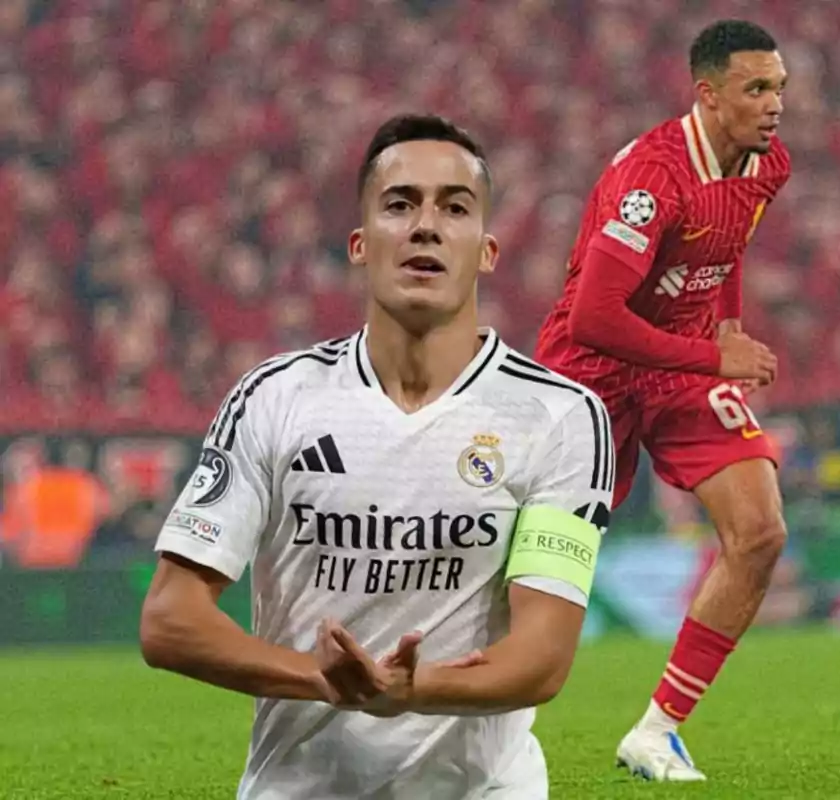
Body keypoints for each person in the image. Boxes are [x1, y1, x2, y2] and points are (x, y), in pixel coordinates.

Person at [140, 114, 615, 800]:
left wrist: (413, 690)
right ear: (361, 245)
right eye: (400, 204)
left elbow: (542, 656)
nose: (426, 225)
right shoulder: (276, 399)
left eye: (455, 208)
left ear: (487, 250)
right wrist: (318, 678)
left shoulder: (561, 417)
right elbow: (169, 619)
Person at [534, 19, 791, 781]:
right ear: (708, 96)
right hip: (594, 369)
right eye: (756, 89)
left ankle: (656, 730)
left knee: (760, 531)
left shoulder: (767, 162)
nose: (774, 104)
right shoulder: (652, 177)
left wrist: (731, 328)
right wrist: (717, 352)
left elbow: (730, 239)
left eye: (779, 87)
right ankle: (451, 713)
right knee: (547, 566)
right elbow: (595, 318)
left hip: (681, 364)